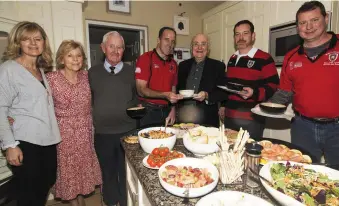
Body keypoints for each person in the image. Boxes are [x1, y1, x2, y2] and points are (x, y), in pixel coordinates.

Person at [269, 1, 339, 164]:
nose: (308, 27)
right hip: (302, 127)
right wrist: (266, 106)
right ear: (297, 26)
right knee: (301, 171)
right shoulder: (290, 56)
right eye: (302, 23)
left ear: (326, 18)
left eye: (314, 20)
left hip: (337, 128)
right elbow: (284, 93)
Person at [0, 21, 61, 206]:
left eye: (38, 38)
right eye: (27, 39)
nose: (33, 43)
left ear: (44, 42)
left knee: (46, 183)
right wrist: (10, 145)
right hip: (25, 141)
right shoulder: (9, 69)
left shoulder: (40, 70)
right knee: (30, 194)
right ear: (18, 42)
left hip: (47, 139)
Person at [46, 40, 102, 206]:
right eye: (70, 55)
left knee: (82, 172)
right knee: (69, 173)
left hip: (85, 131)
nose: (75, 59)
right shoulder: (51, 78)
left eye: (78, 55)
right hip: (64, 134)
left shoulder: (87, 76)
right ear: (61, 59)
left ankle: (80, 201)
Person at [89, 31, 138, 206]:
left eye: (119, 47)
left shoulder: (133, 72)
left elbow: (138, 97)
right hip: (103, 134)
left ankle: (126, 203)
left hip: (128, 133)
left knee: (126, 173)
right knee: (107, 173)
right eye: (111, 46)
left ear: (123, 51)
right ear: (103, 48)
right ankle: (110, 202)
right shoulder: (91, 73)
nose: (116, 51)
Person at [219, 20, 279, 140]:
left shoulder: (264, 58)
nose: (241, 37)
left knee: (248, 155)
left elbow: (274, 86)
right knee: (229, 152)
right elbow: (229, 87)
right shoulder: (232, 58)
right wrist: (223, 106)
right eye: (237, 34)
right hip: (230, 116)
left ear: (253, 36)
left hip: (252, 119)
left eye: (245, 33)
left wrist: (254, 92)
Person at [135, 27, 182, 127]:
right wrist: (165, 95)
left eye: (173, 41)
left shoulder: (174, 64)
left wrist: (173, 109)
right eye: (166, 39)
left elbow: (173, 89)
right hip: (148, 111)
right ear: (158, 40)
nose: (170, 44)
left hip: (167, 111)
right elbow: (141, 90)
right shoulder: (145, 58)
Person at [176, 34, 226, 127]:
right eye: (196, 44)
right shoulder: (182, 65)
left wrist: (207, 95)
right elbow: (177, 88)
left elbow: (223, 93)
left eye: (203, 44)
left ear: (208, 48)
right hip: (184, 118)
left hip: (207, 118)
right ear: (192, 47)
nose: (199, 47)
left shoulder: (218, 66)